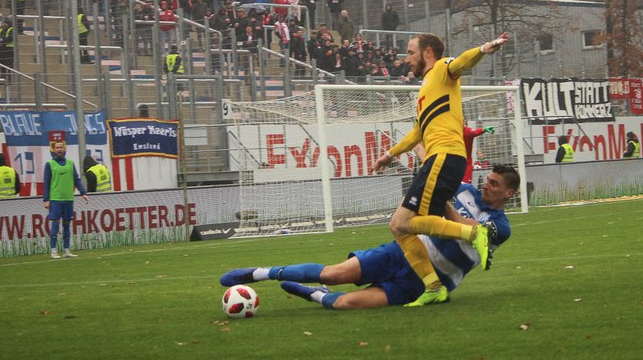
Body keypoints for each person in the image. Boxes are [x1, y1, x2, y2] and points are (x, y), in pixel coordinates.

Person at [220, 164, 519, 309]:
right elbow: (432, 188)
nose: (486, 185)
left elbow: (467, 228)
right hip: (404, 252)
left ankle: (314, 294)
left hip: (427, 282)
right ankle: (259, 273)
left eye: (494, 184)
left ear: (509, 193)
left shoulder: (501, 226)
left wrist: (441, 200)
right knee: (334, 274)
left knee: (345, 304)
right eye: (488, 180)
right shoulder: (464, 189)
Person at [369, 31, 508, 306]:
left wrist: (483, 49)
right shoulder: (427, 89)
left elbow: (462, 62)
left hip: (444, 157)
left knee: (412, 221)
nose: (407, 59)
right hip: (439, 160)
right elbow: (417, 132)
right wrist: (389, 155)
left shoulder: (443, 68)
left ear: (428, 52)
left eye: (411, 52)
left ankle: (475, 233)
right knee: (399, 225)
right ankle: (433, 286)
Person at [42, 140, 89, 259]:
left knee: (67, 225)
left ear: (64, 149)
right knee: (55, 225)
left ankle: (67, 250)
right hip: (56, 199)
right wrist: (46, 199)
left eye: (61, 147)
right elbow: (46, 182)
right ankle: (53, 251)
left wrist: (83, 192)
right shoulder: (50, 164)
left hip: (68, 199)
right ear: (53, 150)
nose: (59, 149)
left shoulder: (70, 163)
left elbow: (76, 179)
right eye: (57, 148)